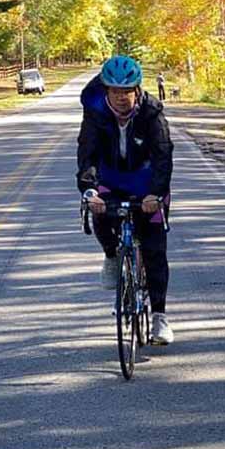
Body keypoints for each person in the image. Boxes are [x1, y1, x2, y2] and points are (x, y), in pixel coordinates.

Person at [77, 55, 175, 345]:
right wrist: (89, 189)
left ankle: (159, 318)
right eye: (115, 91)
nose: (121, 98)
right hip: (111, 178)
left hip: (147, 183)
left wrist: (156, 194)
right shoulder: (95, 112)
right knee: (100, 212)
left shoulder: (151, 113)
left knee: (155, 248)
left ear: (137, 90)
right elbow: (87, 154)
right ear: (106, 90)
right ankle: (111, 255)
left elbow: (163, 156)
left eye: (127, 91)